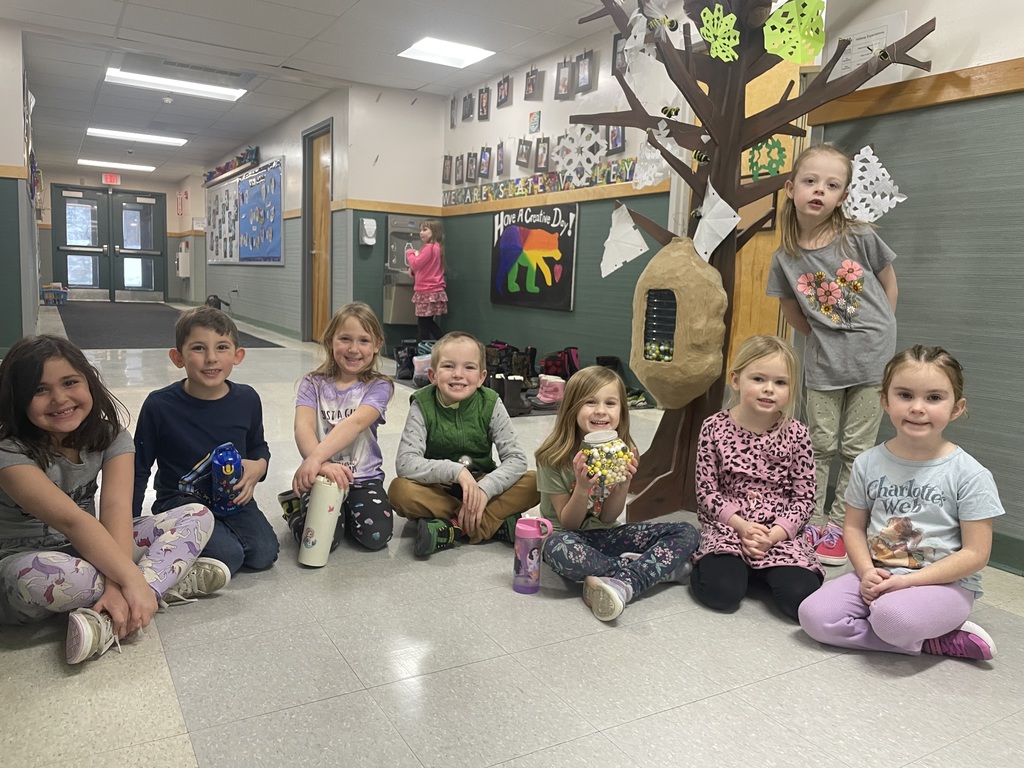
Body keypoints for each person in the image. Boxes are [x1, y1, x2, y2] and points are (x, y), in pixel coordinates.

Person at [0, 335, 229, 664]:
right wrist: (130, 577)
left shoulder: (111, 437)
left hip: (91, 547)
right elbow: (72, 521)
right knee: (57, 575)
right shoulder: (8, 451)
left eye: (70, 382)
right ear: (17, 399)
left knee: (197, 516)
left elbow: (116, 510)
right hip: (21, 563)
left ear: (89, 382)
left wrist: (115, 582)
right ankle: (157, 583)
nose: (59, 398)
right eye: (39, 390)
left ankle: (109, 618)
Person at [799, 346, 1003, 661]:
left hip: (944, 584)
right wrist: (866, 571)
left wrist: (910, 583)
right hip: (879, 574)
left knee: (891, 617)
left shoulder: (971, 474)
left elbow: (976, 555)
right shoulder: (868, 463)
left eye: (934, 398)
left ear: (956, 408)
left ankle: (914, 626)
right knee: (814, 616)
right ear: (885, 401)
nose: (917, 408)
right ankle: (931, 642)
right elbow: (852, 527)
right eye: (905, 395)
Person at [766, 143, 899, 566]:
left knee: (857, 447)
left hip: (872, 357)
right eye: (810, 181)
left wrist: (876, 333)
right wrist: (828, 336)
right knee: (819, 444)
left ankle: (841, 527)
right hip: (824, 359)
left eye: (831, 185)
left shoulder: (859, 236)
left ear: (842, 196)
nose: (819, 191)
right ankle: (809, 518)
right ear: (791, 188)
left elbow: (888, 286)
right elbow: (792, 312)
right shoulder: (784, 257)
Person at [537, 366, 698, 621]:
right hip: (569, 537)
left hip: (607, 534)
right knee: (558, 549)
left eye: (610, 403)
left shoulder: (623, 450)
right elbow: (569, 523)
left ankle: (625, 578)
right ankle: (650, 569)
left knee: (687, 531)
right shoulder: (552, 458)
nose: (601, 410)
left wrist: (624, 484)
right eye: (590, 402)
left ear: (621, 412)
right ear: (571, 408)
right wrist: (582, 487)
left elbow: (609, 517)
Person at [134, 306, 279, 575]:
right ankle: (171, 537)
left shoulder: (247, 399)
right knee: (230, 556)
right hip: (179, 503)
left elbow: (259, 445)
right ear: (178, 357)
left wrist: (259, 467)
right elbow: (138, 468)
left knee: (264, 553)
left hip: (231, 499)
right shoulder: (159, 405)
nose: (211, 358)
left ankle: (202, 540)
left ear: (238, 355)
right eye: (199, 348)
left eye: (222, 347)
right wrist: (127, 525)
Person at [690, 336, 823, 621]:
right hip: (728, 527)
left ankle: (760, 569)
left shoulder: (797, 433)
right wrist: (741, 526)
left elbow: (805, 498)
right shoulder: (713, 427)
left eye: (780, 383)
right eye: (759, 379)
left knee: (801, 600)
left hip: (778, 533)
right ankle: (737, 570)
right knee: (721, 594)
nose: (768, 390)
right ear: (736, 380)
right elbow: (706, 492)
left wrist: (773, 535)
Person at [388, 332, 539, 558]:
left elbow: (516, 459)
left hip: (483, 484)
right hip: (440, 488)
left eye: (469, 368)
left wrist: (484, 488)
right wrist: (456, 471)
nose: (458, 375)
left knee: (537, 482)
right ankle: (491, 523)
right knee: (399, 490)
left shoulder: (490, 402)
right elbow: (406, 462)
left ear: (481, 377)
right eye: (449, 366)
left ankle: (451, 528)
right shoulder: (422, 404)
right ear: (432, 375)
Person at [286, 302, 395, 553]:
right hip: (322, 476)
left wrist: (313, 459)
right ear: (330, 341)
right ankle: (293, 512)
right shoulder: (312, 383)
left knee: (376, 535)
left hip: (363, 479)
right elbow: (303, 427)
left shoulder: (379, 386)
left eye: (364, 341)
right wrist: (319, 465)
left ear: (377, 344)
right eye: (345, 338)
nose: (354, 349)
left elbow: (355, 424)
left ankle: (342, 512)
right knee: (318, 542)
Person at [406, 219, 448, 343]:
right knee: (427, 321)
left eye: (425, 230)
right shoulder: (437, 248)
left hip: (426, 291)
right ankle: (441, 343)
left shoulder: (429, 248)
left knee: (423, 322)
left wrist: (410, 253)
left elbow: (416, 264)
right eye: (420, 230)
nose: (421, 233)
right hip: (434, 290)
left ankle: (425, 348)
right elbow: (426, 269)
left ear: (434, 232)